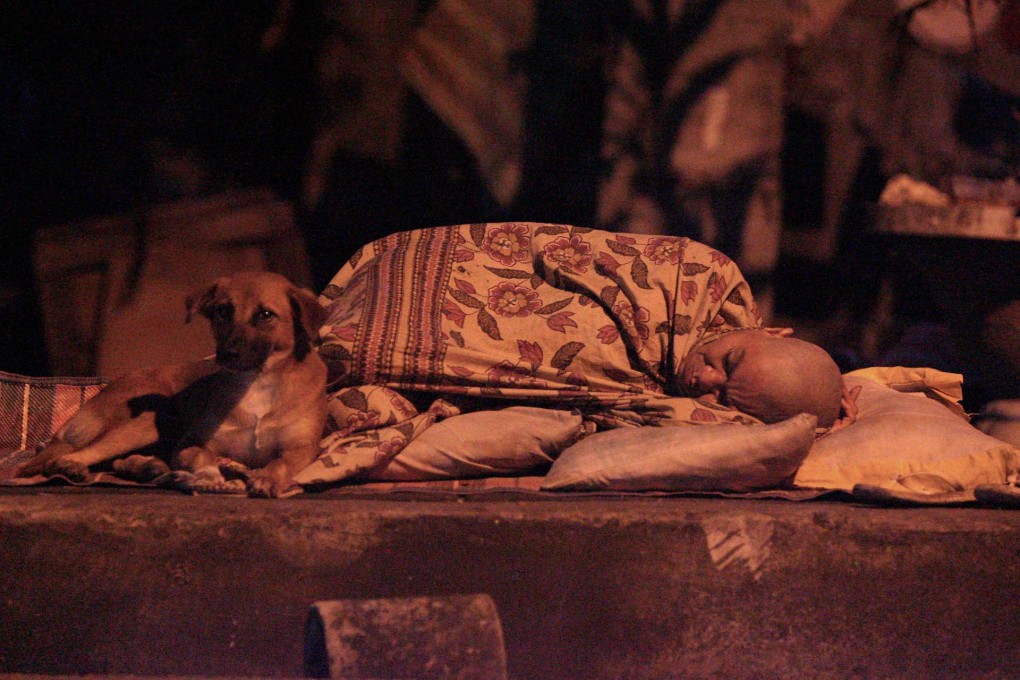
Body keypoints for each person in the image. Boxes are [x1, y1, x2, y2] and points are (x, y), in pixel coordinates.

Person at [315, 222, 855, 432]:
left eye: (726, 399)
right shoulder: (705, 276)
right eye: (728, 362)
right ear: (773, 331)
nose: (705, 380)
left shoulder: (683, 418)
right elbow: (563, 254)